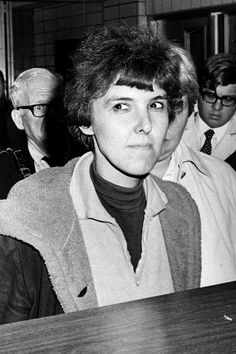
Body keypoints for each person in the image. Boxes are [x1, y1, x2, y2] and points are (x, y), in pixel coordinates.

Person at [0, 25, 201, 324]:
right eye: (121, 106)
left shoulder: (181, 208)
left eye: (155, 105)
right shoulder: (32, 214)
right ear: (86, 120)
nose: (145, 124)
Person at [152, 47, 236, 287]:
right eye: (155, 105)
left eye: (176, 105)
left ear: (190, 106)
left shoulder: (224, 177)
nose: (163, 121)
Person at [0, 68, 72, 199]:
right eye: (39, 107)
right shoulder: (5, 171)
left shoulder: (88, 160)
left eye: (58, 106)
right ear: (19, 119)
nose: (52, 115)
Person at [182, 53, 236, 163]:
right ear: (197, 93)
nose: (217, 107)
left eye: (228, 99)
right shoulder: (175, 128)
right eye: (210, 96)